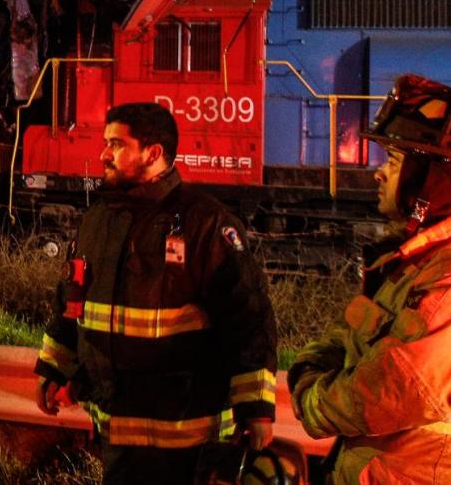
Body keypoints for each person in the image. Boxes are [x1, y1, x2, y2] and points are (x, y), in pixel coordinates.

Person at [288, 74, 451, 484]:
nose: (379, 173)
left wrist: (312, 400)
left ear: (433, 181)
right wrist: (311, 364)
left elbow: (399, 390)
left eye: (395, 162)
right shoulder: (425, 258)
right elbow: (355, 339)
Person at [33, 102, 277, 484]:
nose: (103, 154)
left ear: (153, 153)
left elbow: (248, 318)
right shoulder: (99, 220)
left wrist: (256, 409)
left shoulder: (207, 224)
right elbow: (71, 300)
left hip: (189, 439)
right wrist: (54, 368)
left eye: (116, 144)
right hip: (118, 433)